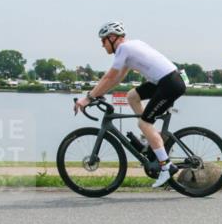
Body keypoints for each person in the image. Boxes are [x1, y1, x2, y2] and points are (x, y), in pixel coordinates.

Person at [74, 22, 186, 188]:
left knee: (143, 123)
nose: (102, 45)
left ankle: (166, 166)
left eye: (103, 41)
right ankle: (153, 139)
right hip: (165, 81)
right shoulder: (130, 47)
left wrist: (88, 98)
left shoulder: (123, 49)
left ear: (112, 38)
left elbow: (109, 77)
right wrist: (99, 93)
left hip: (168, 84)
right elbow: (117, 78)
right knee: (132, 96)